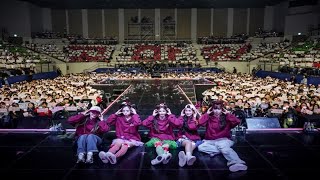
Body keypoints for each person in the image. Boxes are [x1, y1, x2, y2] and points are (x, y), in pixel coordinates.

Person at [198, 100, 247, 172]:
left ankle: (237, 162)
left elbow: (237, 121)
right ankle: (223, 151)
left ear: (222, 109)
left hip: (224, 140)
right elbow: (200, 123)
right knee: (201, 147)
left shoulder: (226, 117)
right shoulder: (209, 117)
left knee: (222, 146)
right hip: (210, 141)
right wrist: (207, 114)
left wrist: (228, 114)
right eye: (215, 109)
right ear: (212, 109)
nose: (217, 111)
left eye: (219, 109)